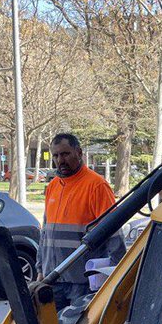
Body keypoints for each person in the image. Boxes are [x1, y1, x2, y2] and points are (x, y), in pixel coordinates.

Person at [40, 132, 119, 309]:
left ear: (79, 153)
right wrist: (40, 269)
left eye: (65, 154)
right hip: (53, 279)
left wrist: (116, 274)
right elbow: (44, 232)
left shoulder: (96, 186)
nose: (60, 160)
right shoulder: (53, 186)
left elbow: (113, 232)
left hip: (81, 283)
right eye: (56, 155)